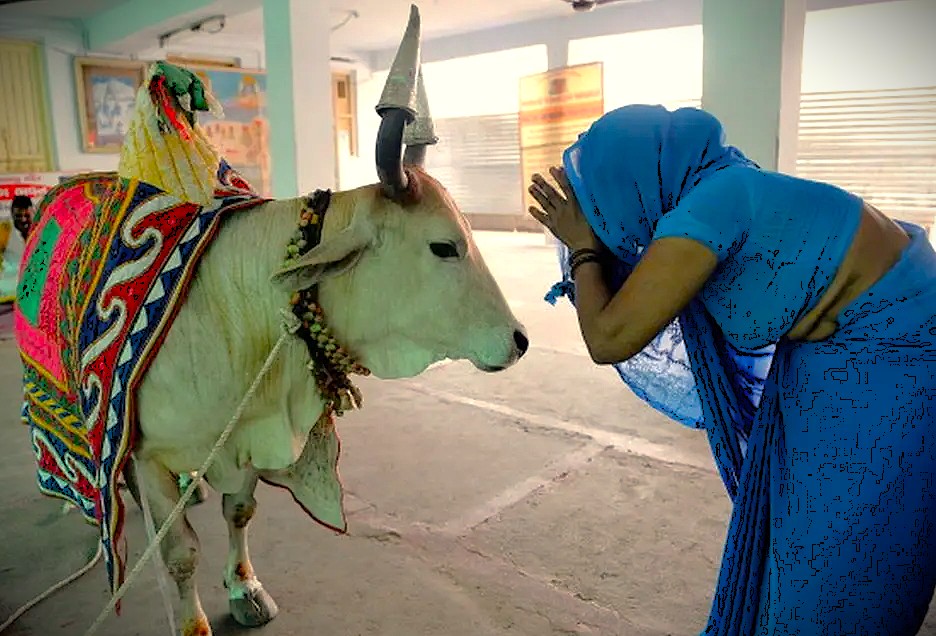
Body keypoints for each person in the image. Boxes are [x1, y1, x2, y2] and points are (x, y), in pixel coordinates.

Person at [527, 104, 935, 636]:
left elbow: (610, 337)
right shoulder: (723, 187)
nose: (606, 222)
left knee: (848, 542)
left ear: (634, 182)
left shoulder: (715, 205)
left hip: (895, 357)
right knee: (800, 526)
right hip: (845, 351)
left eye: (601, 204)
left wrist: (583, 248)